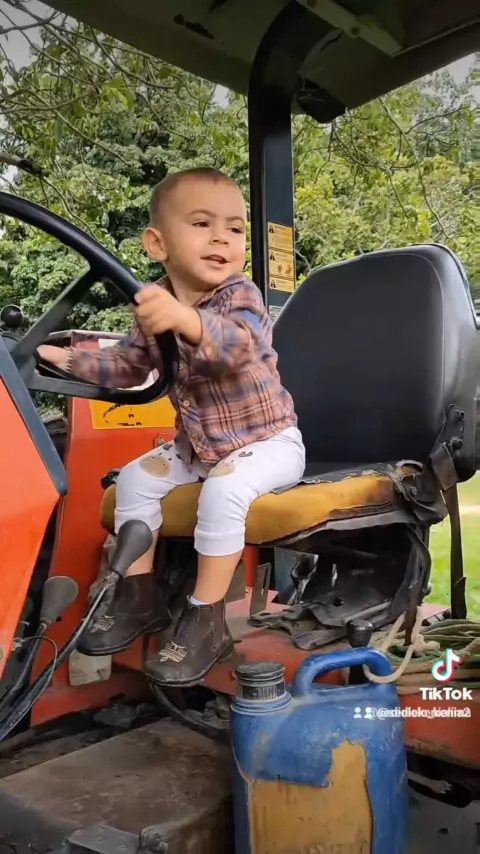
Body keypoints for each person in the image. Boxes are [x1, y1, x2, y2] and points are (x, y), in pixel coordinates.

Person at [38, 166, 305, 687]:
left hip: (268, 444)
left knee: (224, 491)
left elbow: (236, 348)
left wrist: (185, 321)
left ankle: (205, 617)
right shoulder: (155, 303)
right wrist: (63, 359)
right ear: (157, 243)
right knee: (134, 479)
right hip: (200, 448)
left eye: (234, 228)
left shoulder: (241, 296)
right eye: (202, 223)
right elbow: (128, 367)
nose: (221, 238)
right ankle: (139, 598)